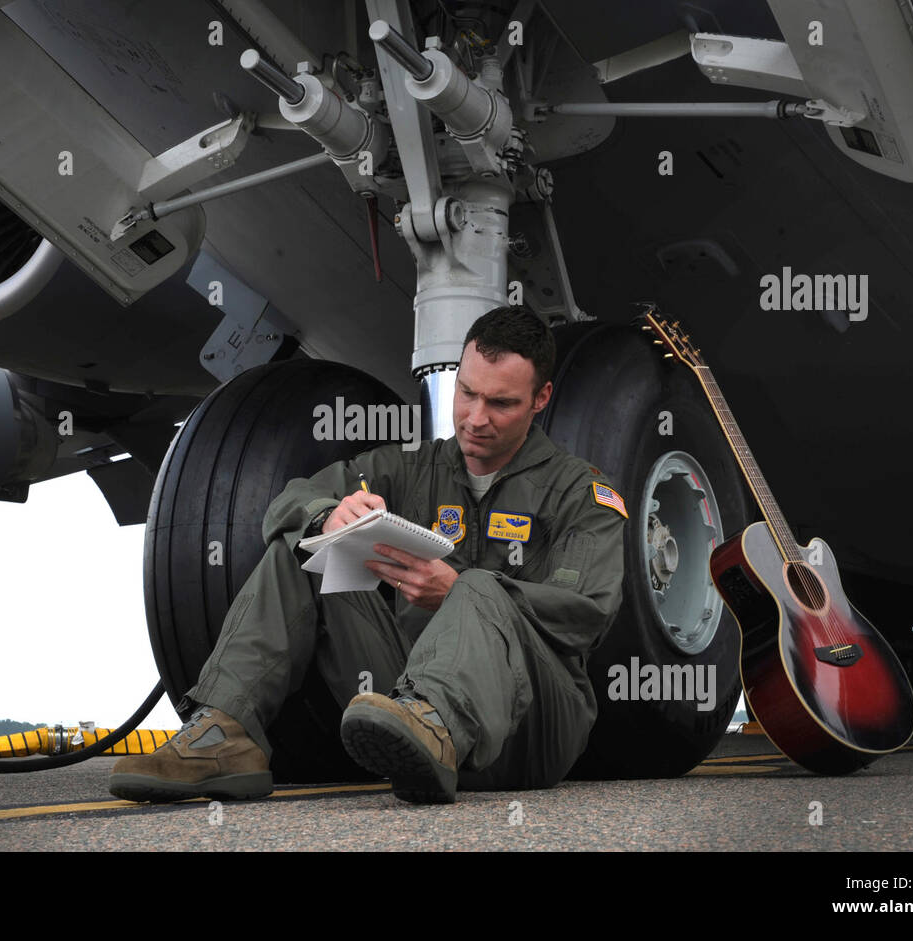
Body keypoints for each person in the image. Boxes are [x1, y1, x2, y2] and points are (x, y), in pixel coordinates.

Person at [109, 306, 627, 804]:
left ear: (541, 399)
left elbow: (586, 612)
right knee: (310, 551)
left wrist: (459, 590)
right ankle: (223, 736)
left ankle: (438, 722)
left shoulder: (581, 493)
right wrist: (328, 516)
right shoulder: (411, 468)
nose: (475, 418)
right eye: (466, 393)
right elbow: (289, 500)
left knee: (478, 585)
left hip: (532, 723)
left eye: (502, 403)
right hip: (408, 713)